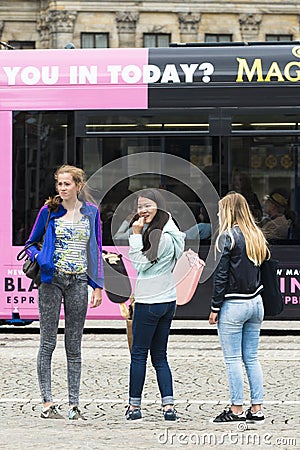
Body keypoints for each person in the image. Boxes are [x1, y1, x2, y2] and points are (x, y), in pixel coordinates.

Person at [25, 165, 104, 420]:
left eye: (67, 184)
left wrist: (97, 285)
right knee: (47, 342)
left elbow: (96, 249)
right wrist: (41, 257)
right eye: (59, 184)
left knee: (74, 345)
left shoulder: (91, 213)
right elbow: (30, 243)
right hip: (51, 281)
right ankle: (47, 403)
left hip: (79, 281)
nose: (62, 188)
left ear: (78, 186)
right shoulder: (49, 211)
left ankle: (73, 405)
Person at [209, 191, 269, 424]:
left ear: (228, 211)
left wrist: (215, 307)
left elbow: (221, 276)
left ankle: (236, 409)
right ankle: (257, 408)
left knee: (233, 358)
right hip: (256, 302)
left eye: (220, 209)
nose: (217, 213)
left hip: (234, 304)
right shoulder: (257, 235)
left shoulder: (228, 237)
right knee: (251, 358)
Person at [126, 188, 185, 421]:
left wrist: (135, 234)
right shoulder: (174, 233)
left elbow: (140, 265)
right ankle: (168, 406)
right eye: (140, 206)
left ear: (159, 206)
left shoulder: (158, 236)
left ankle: (134, 407)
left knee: (139, 354)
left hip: (150, 301)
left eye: (147, 205)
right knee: (160, 355)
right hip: (168, 300)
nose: (142, 210)